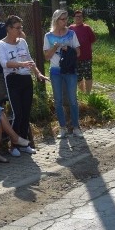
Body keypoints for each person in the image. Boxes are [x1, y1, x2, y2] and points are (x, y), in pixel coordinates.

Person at [0, 15, 47, 153]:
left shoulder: (22, 42)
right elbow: (4, 63)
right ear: (9, 28)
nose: (20, 30)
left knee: (26, 112)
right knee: (17, 113)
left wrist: (37, 73)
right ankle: (13, 144)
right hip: (13, 79)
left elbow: (29, 59)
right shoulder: (1, 44)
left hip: (26, 79)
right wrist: (21, 64)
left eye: (21, 27)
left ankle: (24, 143)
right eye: (17, 28)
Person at [44, 9, 83, 138]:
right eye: (63, 19)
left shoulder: (71, 34)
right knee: (58, 100)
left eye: (66, 19)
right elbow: (47, 57)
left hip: (70, 70)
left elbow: (78, 52)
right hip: (55, 71)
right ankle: (62, 127)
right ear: (56, 20)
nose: (65, 21)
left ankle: (76, 127)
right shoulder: (48, 36)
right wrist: (54, 47)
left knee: (72, 99)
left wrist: (68, 48)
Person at [70, 10, 97, 94]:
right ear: (73, 18)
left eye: (80, 16)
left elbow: (93, 40)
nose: (78, 18)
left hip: (86, 57)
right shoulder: (70, 28)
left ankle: (88, 93)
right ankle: (82, 92)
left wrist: (90, 50)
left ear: (82, 18)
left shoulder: (87, 28)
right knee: (78, 77)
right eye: (77, 16)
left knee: (88, 75)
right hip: (75, 58)